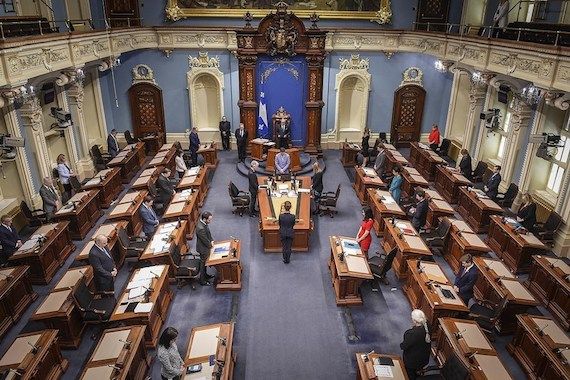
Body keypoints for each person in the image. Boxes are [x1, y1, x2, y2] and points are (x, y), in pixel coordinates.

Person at [400, 309, 431, 380]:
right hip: (424, 359)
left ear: (415, 321)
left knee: (410, 376)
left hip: (412, 362)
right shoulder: (428, 325)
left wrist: (401, 345)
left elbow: (404, 346)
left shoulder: (411, 334)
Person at [196, 211, 214, 286]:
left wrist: (212, 240)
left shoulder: (204, 223)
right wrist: (211, 245)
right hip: (203, 249)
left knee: (205, 264)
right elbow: (205, 240)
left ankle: (205, 275)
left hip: (205, 246)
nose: (210, 221)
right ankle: (202, 281)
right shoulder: (200, 228)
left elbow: (208, 234)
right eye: (209, 220)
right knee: (203, 265)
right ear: (204, 219)